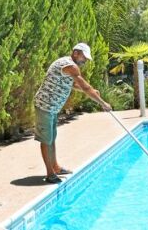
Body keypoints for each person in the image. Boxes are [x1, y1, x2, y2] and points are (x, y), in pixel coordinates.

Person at [34, 43, 112, 183]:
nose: (85, 61)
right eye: (84, 57)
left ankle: (56, 167)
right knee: (46, 140)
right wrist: (102, 103)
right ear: (76, 53)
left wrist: (91, 91)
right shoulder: (71, 66)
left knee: (51, 138)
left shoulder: (67, 64)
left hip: (51, 107)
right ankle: (50, 174)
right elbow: (85, 87)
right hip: (45, 106)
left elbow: (75, 85)